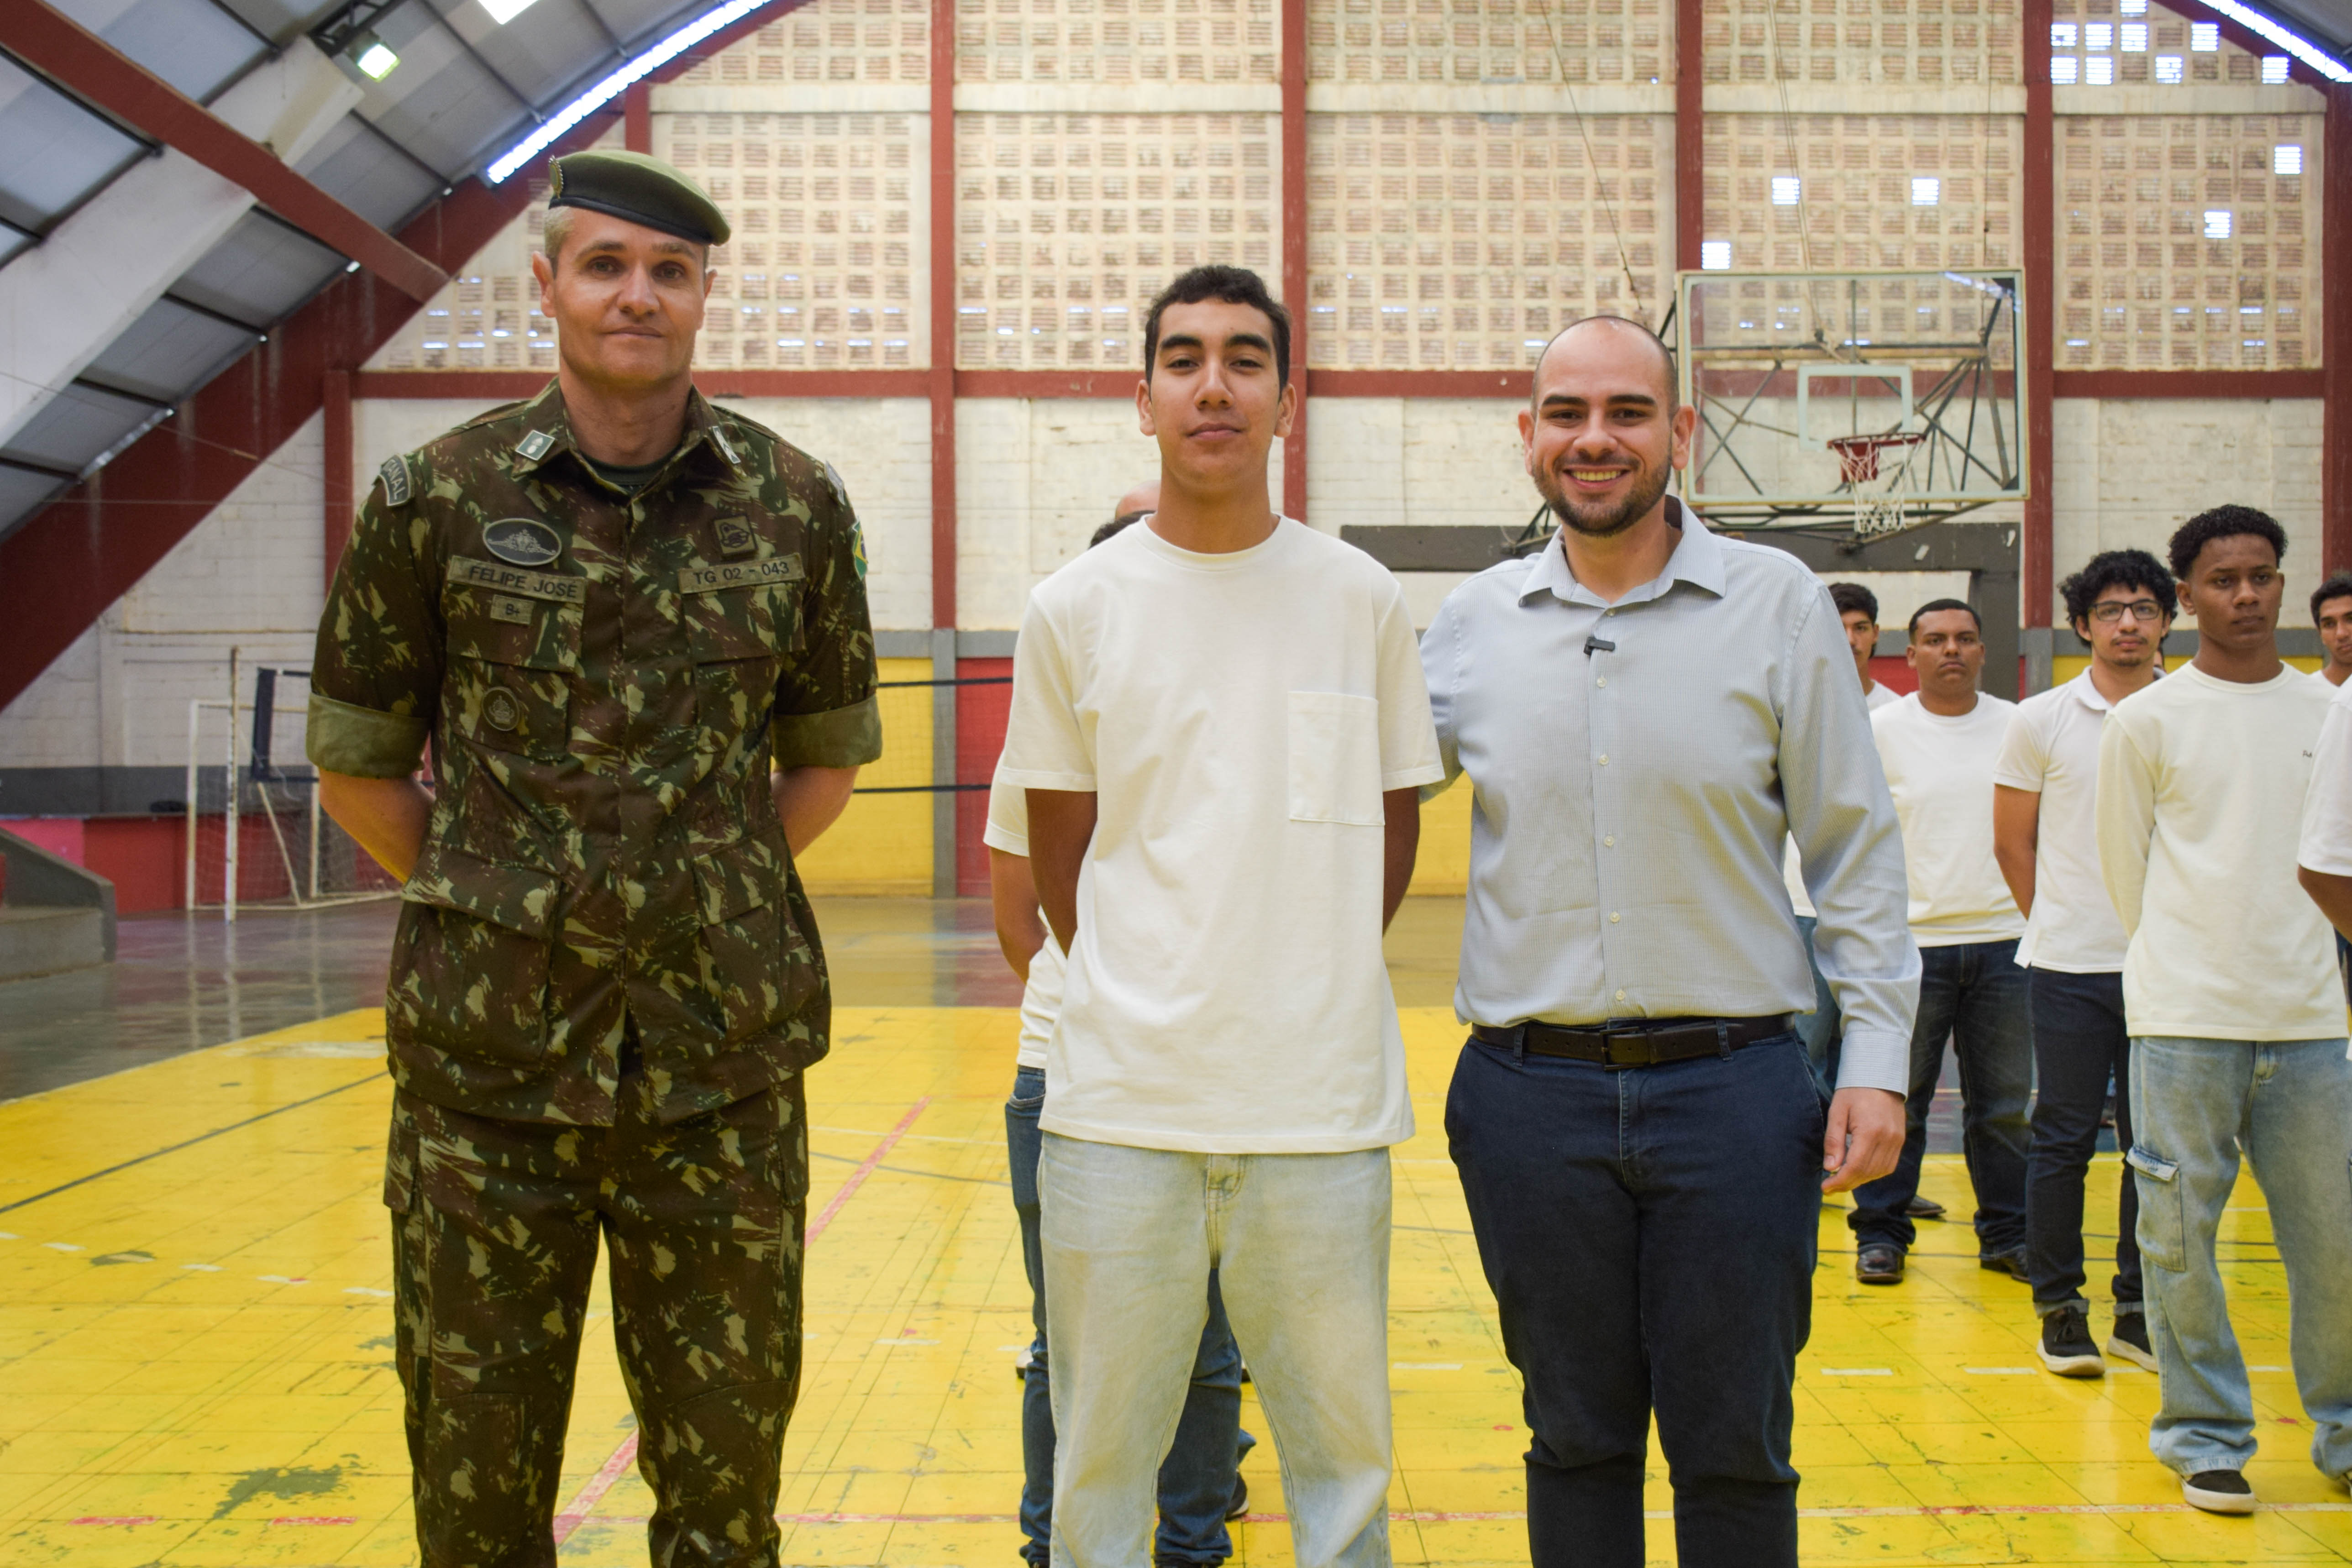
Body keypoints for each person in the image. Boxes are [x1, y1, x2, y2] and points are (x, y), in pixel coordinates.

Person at [306, 151, 882, 1567]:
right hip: (487, 1092)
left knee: (725, 1509)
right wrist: (500, 903)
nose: (639, 296)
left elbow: (822, 763)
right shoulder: (432, 499)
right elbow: (359, 767)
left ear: (703, 296)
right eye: (607, 265)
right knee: (476, 1503)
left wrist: (700, 895)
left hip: (719, 1079)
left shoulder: (796, 506)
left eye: (670, 271)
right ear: (548, 284)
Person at [1420, 314, 1915, 1568]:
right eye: (1568, 413)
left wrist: (1875, 1060)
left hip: (1734, 1096)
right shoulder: (1470, 624)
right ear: (1528, 435)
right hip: (1529, 1101)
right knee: (1575, 1437)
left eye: (1628, 412)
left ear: (1680, 431)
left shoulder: (1777, 603)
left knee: (1735, 1445)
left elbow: (1854, 844)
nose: (1596, 438)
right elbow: (1343, 800)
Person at [1000, 264, 1441, 1568]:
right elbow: (1060, 858)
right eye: (1184, 359)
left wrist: (1301, 973)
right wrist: (1148, 984)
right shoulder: (1071, 609)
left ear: (1286, 401)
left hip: (1321, 1114)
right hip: (1119, 1111)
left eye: (1246, 359)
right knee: (1098, 1478)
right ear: (1144, 400)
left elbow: (1393, 830)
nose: (1215, 385)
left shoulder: (1361, 597)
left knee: (1343, 1477)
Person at [987, 504, 1254, 1568]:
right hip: (1069, 1078)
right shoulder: (1046, 736)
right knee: (1068, 1345)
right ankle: (1051, 1545)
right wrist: (1115, 1009)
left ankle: (1193, 1545)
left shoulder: (1235, 728)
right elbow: (1020, 922)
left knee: (1209, 1347)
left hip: (1221, 1078)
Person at [2097, 505, 2350, 1516]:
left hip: (2312, 1025)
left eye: (2261, 576)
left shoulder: (2330, 713)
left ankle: (2343, 1428)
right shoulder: (2144, 721)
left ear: (2281, 583)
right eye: (2221, 580)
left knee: (2334, 1244)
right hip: (2181, 1021)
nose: (2244, 595)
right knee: (2176, 1240)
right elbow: (2124, 872)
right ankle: (2202, 1435)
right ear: (2184, 597)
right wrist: (2179, 969)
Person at [1992, 550, 2171, 1376]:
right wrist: (2060, 923)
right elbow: (2012, 842)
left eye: (2143, 608)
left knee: (2152, 1146)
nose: (2127, 623)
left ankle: (2137, 1308)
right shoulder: (2041, 719)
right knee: (2062, 1137)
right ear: (2081, 625)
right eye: (2110, 610)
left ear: (2166, 621)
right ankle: (2060, 1307)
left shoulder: (2186, 711)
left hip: (2169, 967)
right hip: (2069, 966)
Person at [1847, 600, 2032, 1286]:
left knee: (2004, 1109)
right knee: (1900, 1098)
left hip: (2007, 944)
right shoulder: (1880, 732)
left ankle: (2008, 1233)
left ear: (1982, 650)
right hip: (1912, 946)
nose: (1950, 649)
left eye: (1964, 638)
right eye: (1935, 639)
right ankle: (1881, 1232)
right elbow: (1858, 839)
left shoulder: (2019, 726)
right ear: (1912, 653)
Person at [1785, 582, 1912, 1138]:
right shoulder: (1789, 703)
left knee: (1869, 1066)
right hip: (1799, 904)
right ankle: (1810, 1167)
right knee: (1805, 1056)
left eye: (1860, 628)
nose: (1850, 639)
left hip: (1872, 908)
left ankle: (1868, 1174)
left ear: (1877, 635)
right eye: (1838, 627)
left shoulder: (1898, 716)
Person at [2311, 571, 2352, 687]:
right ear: (2320, 633)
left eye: (2350, 619)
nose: (2341, 634)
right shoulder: (2307, 692)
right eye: (2329, 625)